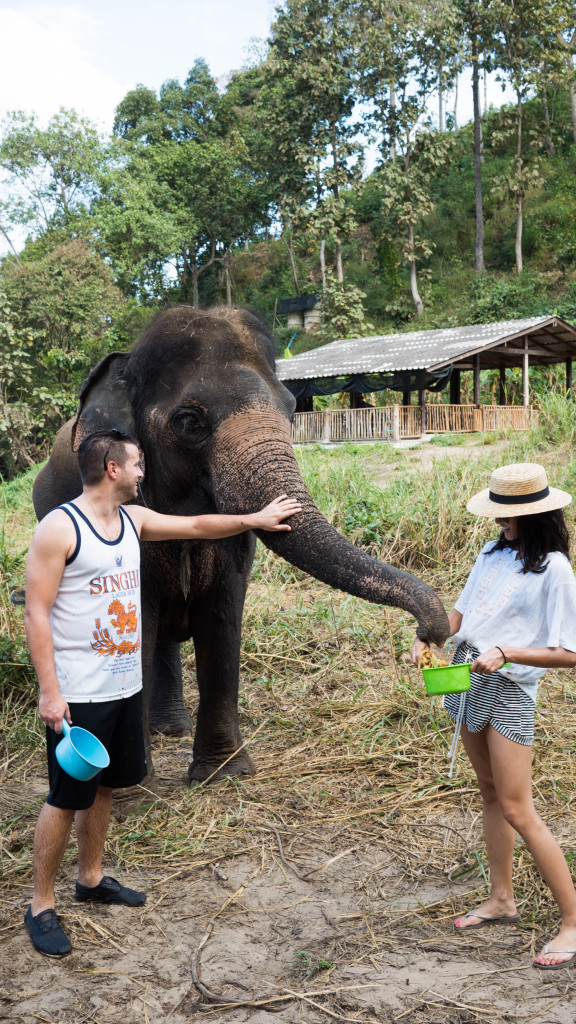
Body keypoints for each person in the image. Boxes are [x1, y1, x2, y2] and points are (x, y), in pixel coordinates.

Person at [24, 428, 302, 957]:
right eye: (138, 463)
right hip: (79, 692)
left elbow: (197, 525)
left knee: (105, 786)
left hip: (127, 683)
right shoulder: (60, 529)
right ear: (112, 469)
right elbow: (36, 613)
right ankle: (39, 905)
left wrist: (253, 520)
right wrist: (50, 691)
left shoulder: (133, 520)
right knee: (65, 796)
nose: (143, 472)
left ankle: (90, 878)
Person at [411, 463, 576, 970]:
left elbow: (568, 652)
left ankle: (573, 922)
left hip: (507, 689)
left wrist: (508, 652)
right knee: (488, 794)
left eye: (507, 517)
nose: (499, 523)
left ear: (535, 515)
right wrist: (427, 635)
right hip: (466, 674)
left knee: (517, 808)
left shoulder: (556, 571)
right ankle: (502, 899)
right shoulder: (492, 552)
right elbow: (460, 614)